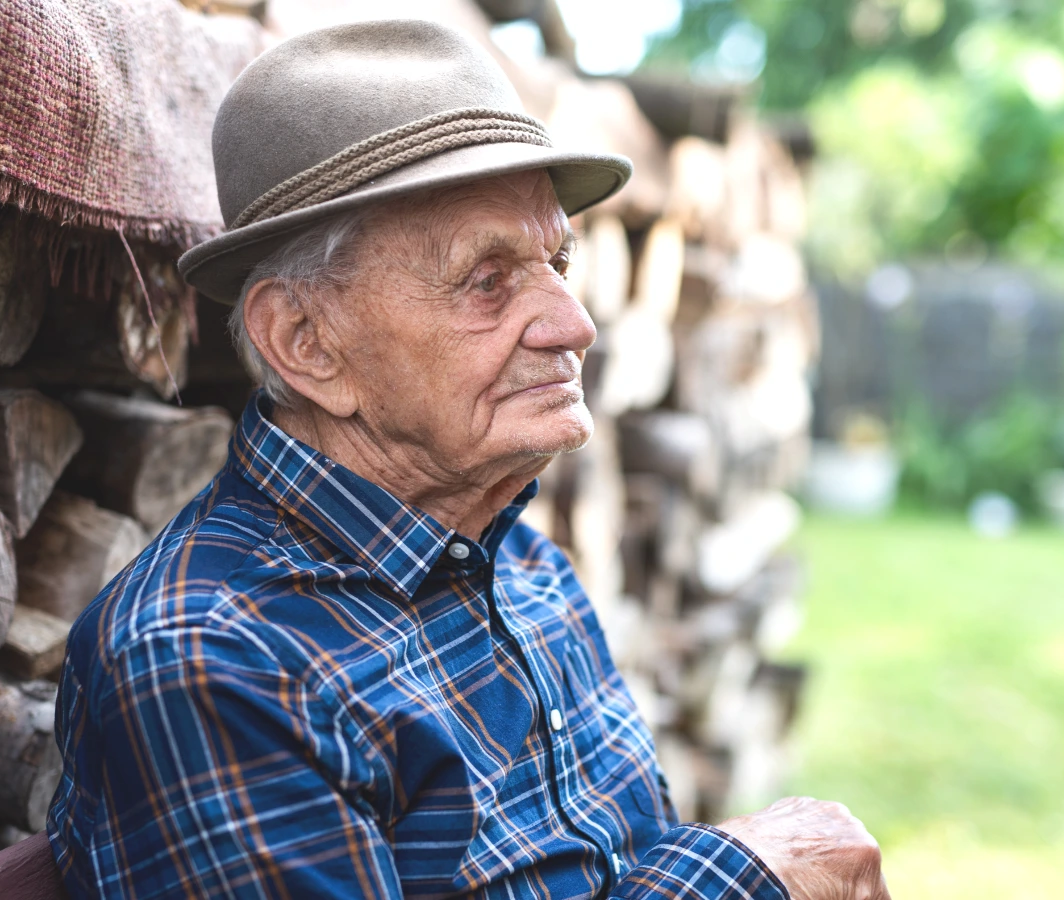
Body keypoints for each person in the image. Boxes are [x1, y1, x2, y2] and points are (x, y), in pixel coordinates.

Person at [48, 19, 889, 900]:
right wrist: (740, 878)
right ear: (306, 342)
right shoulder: (213, 662)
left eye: (557, 260)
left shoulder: (516, 558)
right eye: (487, 280)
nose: (575, 325)